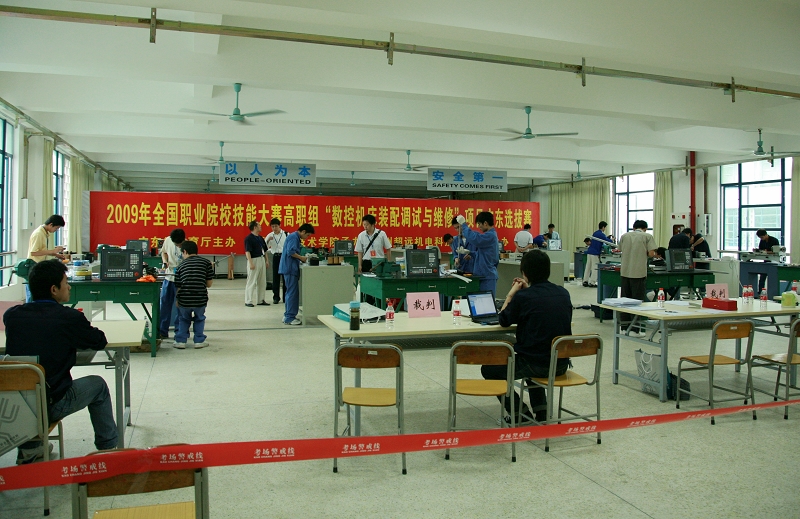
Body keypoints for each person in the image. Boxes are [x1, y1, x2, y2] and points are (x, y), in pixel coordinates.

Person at [4, 260, 116, 463]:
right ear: (54, 289)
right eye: (66, 283)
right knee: (98, 385)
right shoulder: (68, 318)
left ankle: (30, 449)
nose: (69, 287)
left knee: (29, 388)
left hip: (15, 405)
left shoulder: (12, 316)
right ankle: (108, 449)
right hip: (53, 403)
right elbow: (99, 341)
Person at [481, 250, 572, 423]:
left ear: (524, 273)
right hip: (560, 364)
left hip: (536, 364)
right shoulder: (563, 293)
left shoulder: (523, 297)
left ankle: (518, 414)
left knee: (489, 369)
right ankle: (542, 412)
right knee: (535, 354)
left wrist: (511, 294)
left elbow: (503, 320)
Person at [173, 240, 215, 349]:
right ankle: (199, 341)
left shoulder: (180, 266)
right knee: (199, 318)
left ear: (185, 251)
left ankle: (181, 341)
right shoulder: (206, 263)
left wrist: (177, 300)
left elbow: (178, 286)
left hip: (184, 299)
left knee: (183, 319)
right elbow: (209, 284)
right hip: (200, 298)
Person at [618, 220, 657, 334]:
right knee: (637, 301)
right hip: (638, 273)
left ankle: (624, 327)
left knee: (625, 300)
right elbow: (651, 254)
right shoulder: (647, 236)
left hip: (625, 272)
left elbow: (620, 249)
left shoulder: (625, 236)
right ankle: (635, 330)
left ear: (634, 227)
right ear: (645, 228)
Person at [279, 223, 315, 325]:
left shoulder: (294, 237)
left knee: (289, 292)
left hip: (289, 268)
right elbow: (290, 251)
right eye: (307, 235)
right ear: (303, 231)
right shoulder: (293, 237)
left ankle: (287, 315)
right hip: (290, 269)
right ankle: (289, 318)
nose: (307, 238)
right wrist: (301, 258)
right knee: (292, 293)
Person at [457, 211, 499, 296]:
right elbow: (484, 255)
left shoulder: (490, 236)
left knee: (486, 302)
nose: (479, 227)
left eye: (479, 224)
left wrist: (464, 225)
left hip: (487, 276)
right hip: (484, 275)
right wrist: (470, 252)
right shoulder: (490, 235)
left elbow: (475, 239)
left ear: (485, 223)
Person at [26, 214, 66, 302]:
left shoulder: (44, 233)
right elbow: (34, 252)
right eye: (56, 228)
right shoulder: (38, 234)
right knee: (33, 293)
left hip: (38, 264)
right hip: (33, 264)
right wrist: (53, 251)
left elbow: (42, 250)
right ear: (51, 224)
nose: (56, 230)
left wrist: (55, 254)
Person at [158, 228, 185, 340]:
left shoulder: (187, 246)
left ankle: (179, 332)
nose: (178, 246)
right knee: (164, 304)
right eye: (176, 244)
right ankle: (162, 331)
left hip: (181, 280)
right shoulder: (168, 240)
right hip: (168, 277)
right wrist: (165, 261)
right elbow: (164, 252)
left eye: (179, 244)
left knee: (180, 306)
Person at [244, 220, 269, 307]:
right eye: (259, 225)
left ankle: (260, 300)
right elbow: (247, 252)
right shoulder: (249, 238)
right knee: (251, 281)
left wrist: (266, 260)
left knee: (262, 281)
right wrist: (251, 263)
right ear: (255, 227)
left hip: (261, 259)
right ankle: (248, 301)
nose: (261, 227)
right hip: (253, 260)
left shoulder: (260, 238)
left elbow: (265, 250)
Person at [265, 218, 287, 304]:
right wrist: (268, 241)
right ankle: (276, 297)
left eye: (276, 226)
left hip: (284, 257)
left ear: (279, 225)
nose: (274, 228)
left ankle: (285, 297)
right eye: (272, 226)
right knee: (275, 277)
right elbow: (264, 247)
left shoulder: (286, 234)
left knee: (285, 277)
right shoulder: (270, 235)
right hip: (275, 257)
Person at [666, 228, 693, 299]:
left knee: (674, 279)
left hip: (671, 259)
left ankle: (674, 296)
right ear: (688, 234)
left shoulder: (674, 236)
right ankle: (677, 297)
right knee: (679, 280)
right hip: (679, 260)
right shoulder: (685, 238)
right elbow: (686, 250)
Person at [583, 221, 610, 287]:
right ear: (603, 227)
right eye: (605, 227)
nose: (605, 229)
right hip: (595, 253)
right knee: (595, 268)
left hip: (589, 252)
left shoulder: (595, 233)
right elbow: (607, 241)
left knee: (588, 267)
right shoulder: (601, 234)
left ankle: (585, 281)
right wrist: (612, 240)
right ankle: (592, 282)